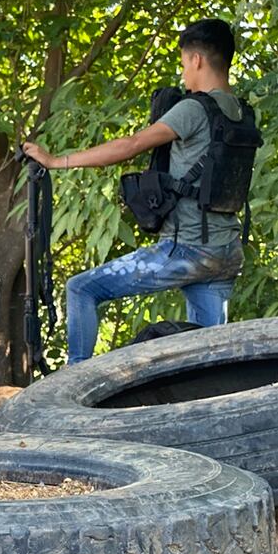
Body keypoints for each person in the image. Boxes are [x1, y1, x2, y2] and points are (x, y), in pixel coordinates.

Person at [23, 19, 247, 365]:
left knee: (81, 288)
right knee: (207, 356)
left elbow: (131, 145)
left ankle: (70, 389)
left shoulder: (194, 108)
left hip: (187, 251)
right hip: (227, 251)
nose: (185, 73)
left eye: (185, 63)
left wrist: (57, 161)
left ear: (197, 60)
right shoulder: (241, 111)